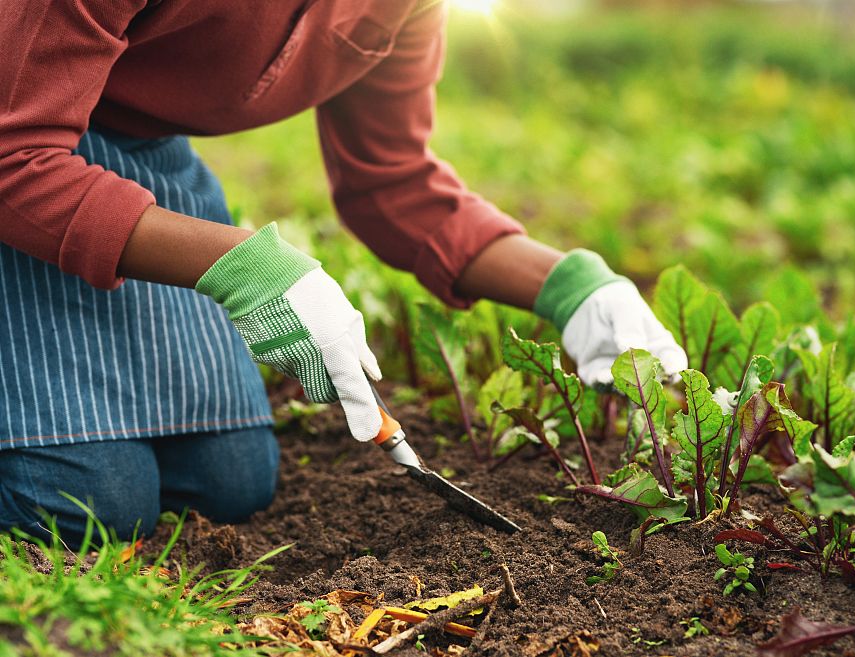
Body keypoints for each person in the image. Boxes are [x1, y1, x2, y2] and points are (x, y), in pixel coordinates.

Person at [0, 0, 687, 547]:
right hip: (22, 146)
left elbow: (393, 182)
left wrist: (573, 286)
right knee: (87, 501)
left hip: (139, 158)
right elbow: (15, 152)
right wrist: (243, 266)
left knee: (229, 482)